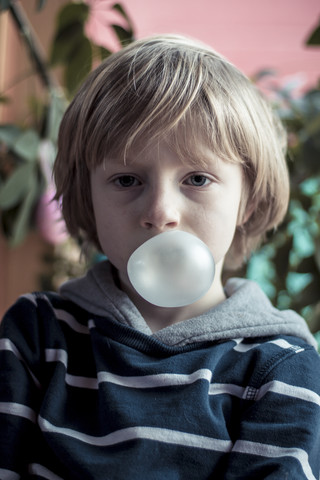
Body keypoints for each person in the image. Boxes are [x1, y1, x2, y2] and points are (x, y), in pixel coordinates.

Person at [0, 34, 319, 480]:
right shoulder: (37, 335)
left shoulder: (280, 367)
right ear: (88, 198)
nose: (161, 213)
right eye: (128, 179)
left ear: (247, 200)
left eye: (198, 178)